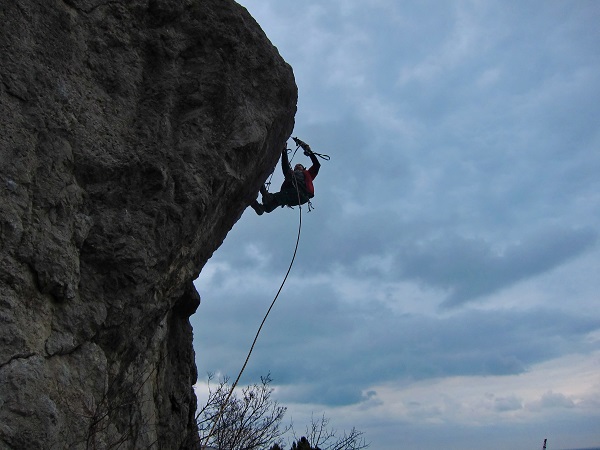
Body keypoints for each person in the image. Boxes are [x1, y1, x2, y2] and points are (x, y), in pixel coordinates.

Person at [251, 138, 321, 215]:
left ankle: (265, 194)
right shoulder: (292, 175)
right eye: (295, 167)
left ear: (304, 168)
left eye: (299, 166)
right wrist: (284, 151)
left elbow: (316, 165)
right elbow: (286, 168)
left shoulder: (308, 174)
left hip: (301, 193)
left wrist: (309, 152)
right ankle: (263, 208)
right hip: (294, 196)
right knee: (277, 201)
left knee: (280, 196)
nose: (296, 167)